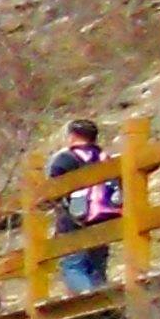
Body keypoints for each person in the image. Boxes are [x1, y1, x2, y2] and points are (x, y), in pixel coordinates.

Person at [51, 118, 121, 295]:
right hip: (104, 217)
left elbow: (52, 191)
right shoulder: (105, 158)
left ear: (73, 136)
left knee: (73, 265)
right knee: (97, 266)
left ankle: (91, 300)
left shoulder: (65, 159)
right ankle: (107, 305)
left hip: (74, 219)